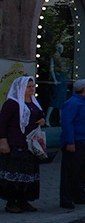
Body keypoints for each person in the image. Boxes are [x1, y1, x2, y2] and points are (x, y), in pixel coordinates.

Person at [0, 77, 45, 213]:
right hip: (15, 142)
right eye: (28, 87)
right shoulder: (12, 104)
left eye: (32, 86)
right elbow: (2, 123)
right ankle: (11, 202)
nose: (31, 89)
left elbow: (39, 114)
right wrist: (3, 141)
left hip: (30, 144)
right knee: (14, 173)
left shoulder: (33, 102)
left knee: (28, 173)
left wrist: (42, 120)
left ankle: (23, 200)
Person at [58, 78, 85, 209]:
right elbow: (67, 123)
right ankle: (66, 199)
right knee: (71, 171)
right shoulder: (73, 103)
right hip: (77, 142)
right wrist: (70, 141)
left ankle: (79, 194)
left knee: (83, 171)